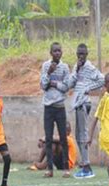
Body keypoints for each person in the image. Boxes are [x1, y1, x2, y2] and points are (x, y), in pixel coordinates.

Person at [68, 43, 104, 179]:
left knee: (82, 133)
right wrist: (75, 71)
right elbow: (70, 84)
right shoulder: (76, 67)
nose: (80, 56)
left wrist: (88, 88)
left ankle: (87, 166)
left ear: (87, 54)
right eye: (78, 54)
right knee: (77, 134)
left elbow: (102, 79)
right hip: (77, 103)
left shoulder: (89, 67)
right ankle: (84, 162)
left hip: (84, 103)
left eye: (82, 54)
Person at [40, 42, 70, 178]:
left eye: (59, 51)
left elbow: (66, 86)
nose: (57, 53)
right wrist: (49, 73)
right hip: (48, 107)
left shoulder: (64, 67)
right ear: (51, 53)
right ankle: (50, 169)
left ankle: (66, 168)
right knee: (48, 137)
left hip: (60, 107)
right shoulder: (46, 66)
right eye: (55, 51)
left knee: (63, 138)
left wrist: (54, 83)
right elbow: (43, 85)